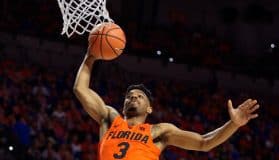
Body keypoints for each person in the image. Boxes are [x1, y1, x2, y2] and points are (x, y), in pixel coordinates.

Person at [73, 51, 260, 160]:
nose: (133, 97)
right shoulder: (110, 118)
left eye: (140, 96)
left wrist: (234, 124)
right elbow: (80, 89)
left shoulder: (159, 131)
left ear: (149, 109)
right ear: (123, 106)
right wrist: (90, 56)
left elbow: (204, 142)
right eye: (129, 96)